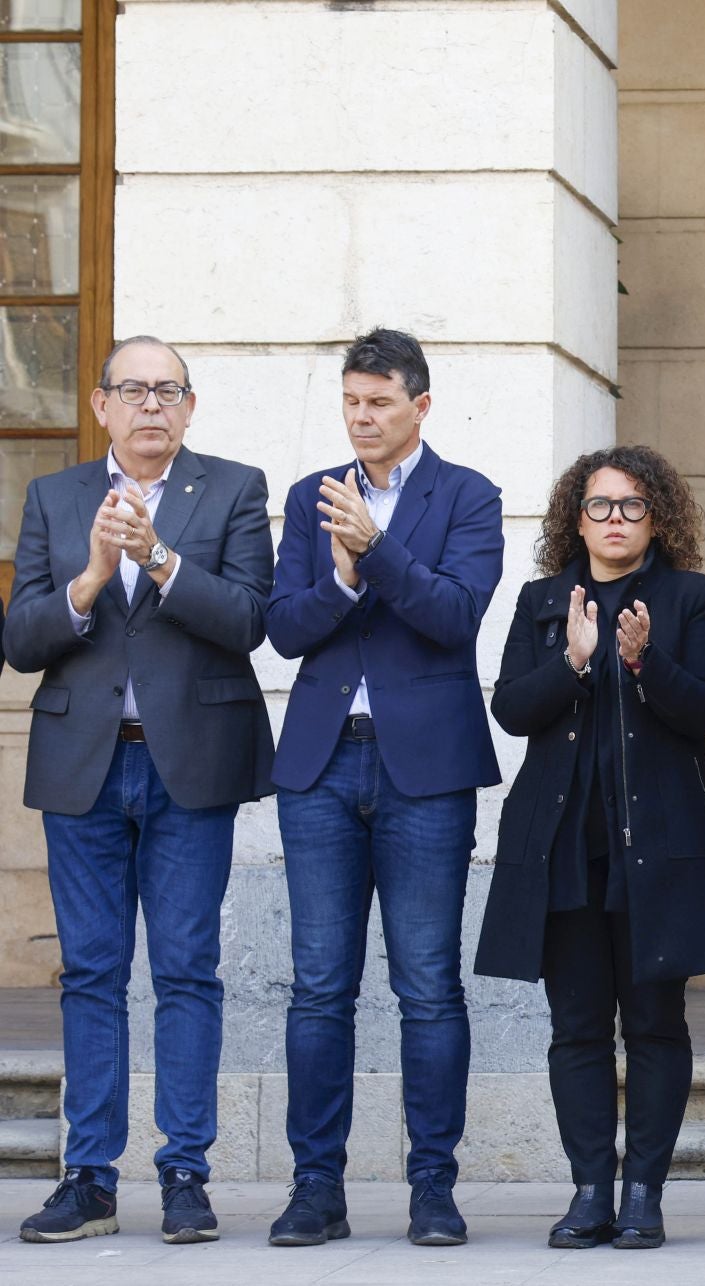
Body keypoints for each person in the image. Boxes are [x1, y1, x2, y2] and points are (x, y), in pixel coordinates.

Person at [6, 337, 274, 1245]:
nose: (152, 405)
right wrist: (88, 579)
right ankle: (88, 1176)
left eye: (169, 391)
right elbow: (21, 639)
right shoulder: (55, 497)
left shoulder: (234, 489)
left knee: (188, 971)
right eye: (134, 389)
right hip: (83, 759)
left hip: (188, 761)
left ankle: (186, 1173)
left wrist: (159, 559)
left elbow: (249, 621)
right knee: (90, 972)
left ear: (190, 408)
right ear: (101, 404)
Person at [474, 446, 705, 1249]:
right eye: (601, 506)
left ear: (656, 517)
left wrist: (641, 661)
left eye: (632, 506)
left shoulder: (691, 598)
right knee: (578, 1027)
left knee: (658, 1024)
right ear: (577, 518)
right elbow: (512, 709)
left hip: (659, 850)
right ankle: (591, 1188)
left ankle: (644, 1193)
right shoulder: (541, 601)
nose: (616, 520)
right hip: (562, 848)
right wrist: (573, 660)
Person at [264, 328, 504, 1248]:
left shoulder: (468, 494)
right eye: (352, 403)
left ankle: (433, 1190)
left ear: (421, 407)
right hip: (322, 764)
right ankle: (314, 1189)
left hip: (427, 771)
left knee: (429, 986)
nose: (361, 419)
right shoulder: (310, 495)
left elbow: (453, 616)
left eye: (379, 403)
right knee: (319, 987)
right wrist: (340, 572)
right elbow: (286, 630)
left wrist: (381, 551)